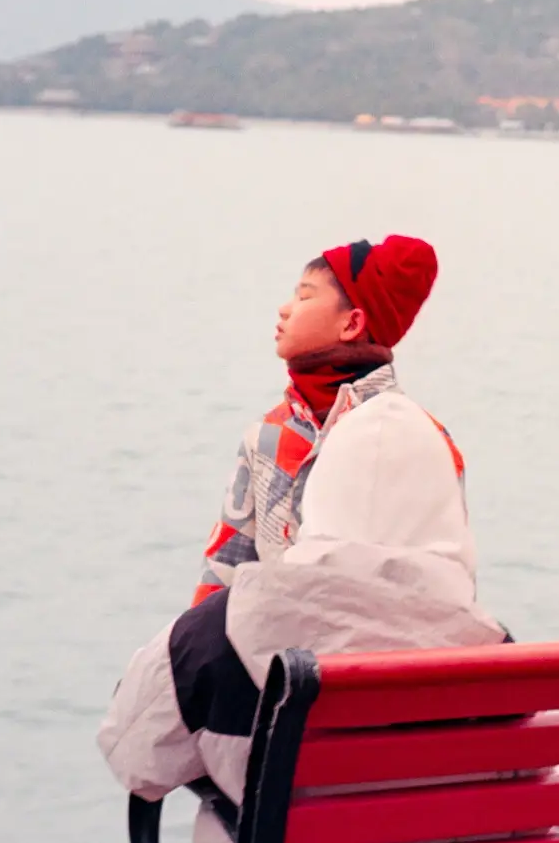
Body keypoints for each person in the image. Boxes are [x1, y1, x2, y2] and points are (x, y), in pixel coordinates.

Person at [100, 452, 504, 843]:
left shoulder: (217, 632)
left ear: (317, 502)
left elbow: (134, 760)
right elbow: (526, 807)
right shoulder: (492, 656)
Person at [192, 235, 469, 606]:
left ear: (352, 324)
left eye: (304, 297)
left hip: (377, 652)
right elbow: (225, 568)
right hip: (272, 654)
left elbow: (443, 577)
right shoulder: (268, 436)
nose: (284, 309)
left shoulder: (418, 438)